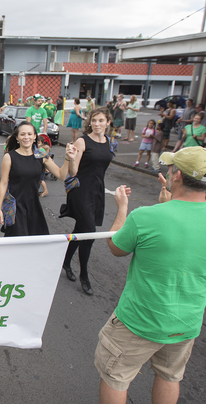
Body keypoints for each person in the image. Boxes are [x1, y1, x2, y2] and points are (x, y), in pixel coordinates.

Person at [95, 147, 206, 404]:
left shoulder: (146, 217)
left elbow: (115, 248)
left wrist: (122, 208)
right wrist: (170, 204)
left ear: (177, 175)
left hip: (140, 321)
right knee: (170, 377)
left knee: (116, 377)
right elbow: (185, 244)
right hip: (185, 322)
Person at [60, 107, 115, 295]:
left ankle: (66, 262)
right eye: (94, 120)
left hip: (97, 192)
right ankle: (84, 275)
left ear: (108, 122)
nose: (97, 124)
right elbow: (73, 172)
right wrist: (72, 159)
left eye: (101, 120)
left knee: (81, 231)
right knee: (89, 233)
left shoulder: (110, 142)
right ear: (89, 122)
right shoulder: (82, 141)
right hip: (81, 191)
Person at [0, 121, 76, 236]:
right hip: (15, 207)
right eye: (22, 134)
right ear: (17, 137)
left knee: (36, 244)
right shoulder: (9, 157)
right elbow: (3, 184)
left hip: (34, 207)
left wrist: (68, 157)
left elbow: (61, 175)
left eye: (29, 134)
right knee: (17, 244)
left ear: (34, 137)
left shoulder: (41, 156)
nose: (26, 137)